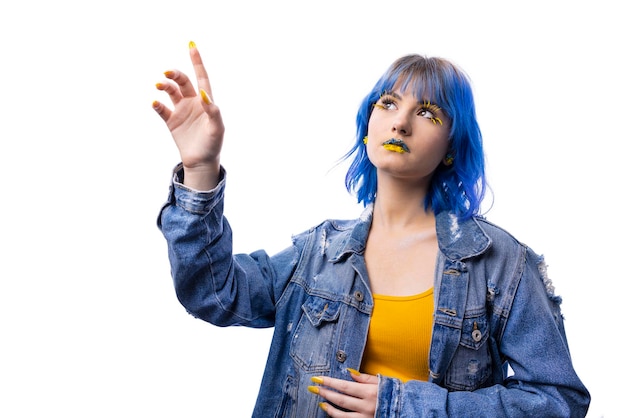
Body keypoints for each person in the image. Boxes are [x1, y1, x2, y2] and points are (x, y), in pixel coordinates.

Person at [153, 41, 590, 417]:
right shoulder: (319, 253)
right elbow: (212, 294)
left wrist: (402, 406)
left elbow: (557, 399)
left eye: (428, 113)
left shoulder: (499, 263)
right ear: (368, 128)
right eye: (388, 103)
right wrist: (201, 168)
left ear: (452, 150)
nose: (401, 122)